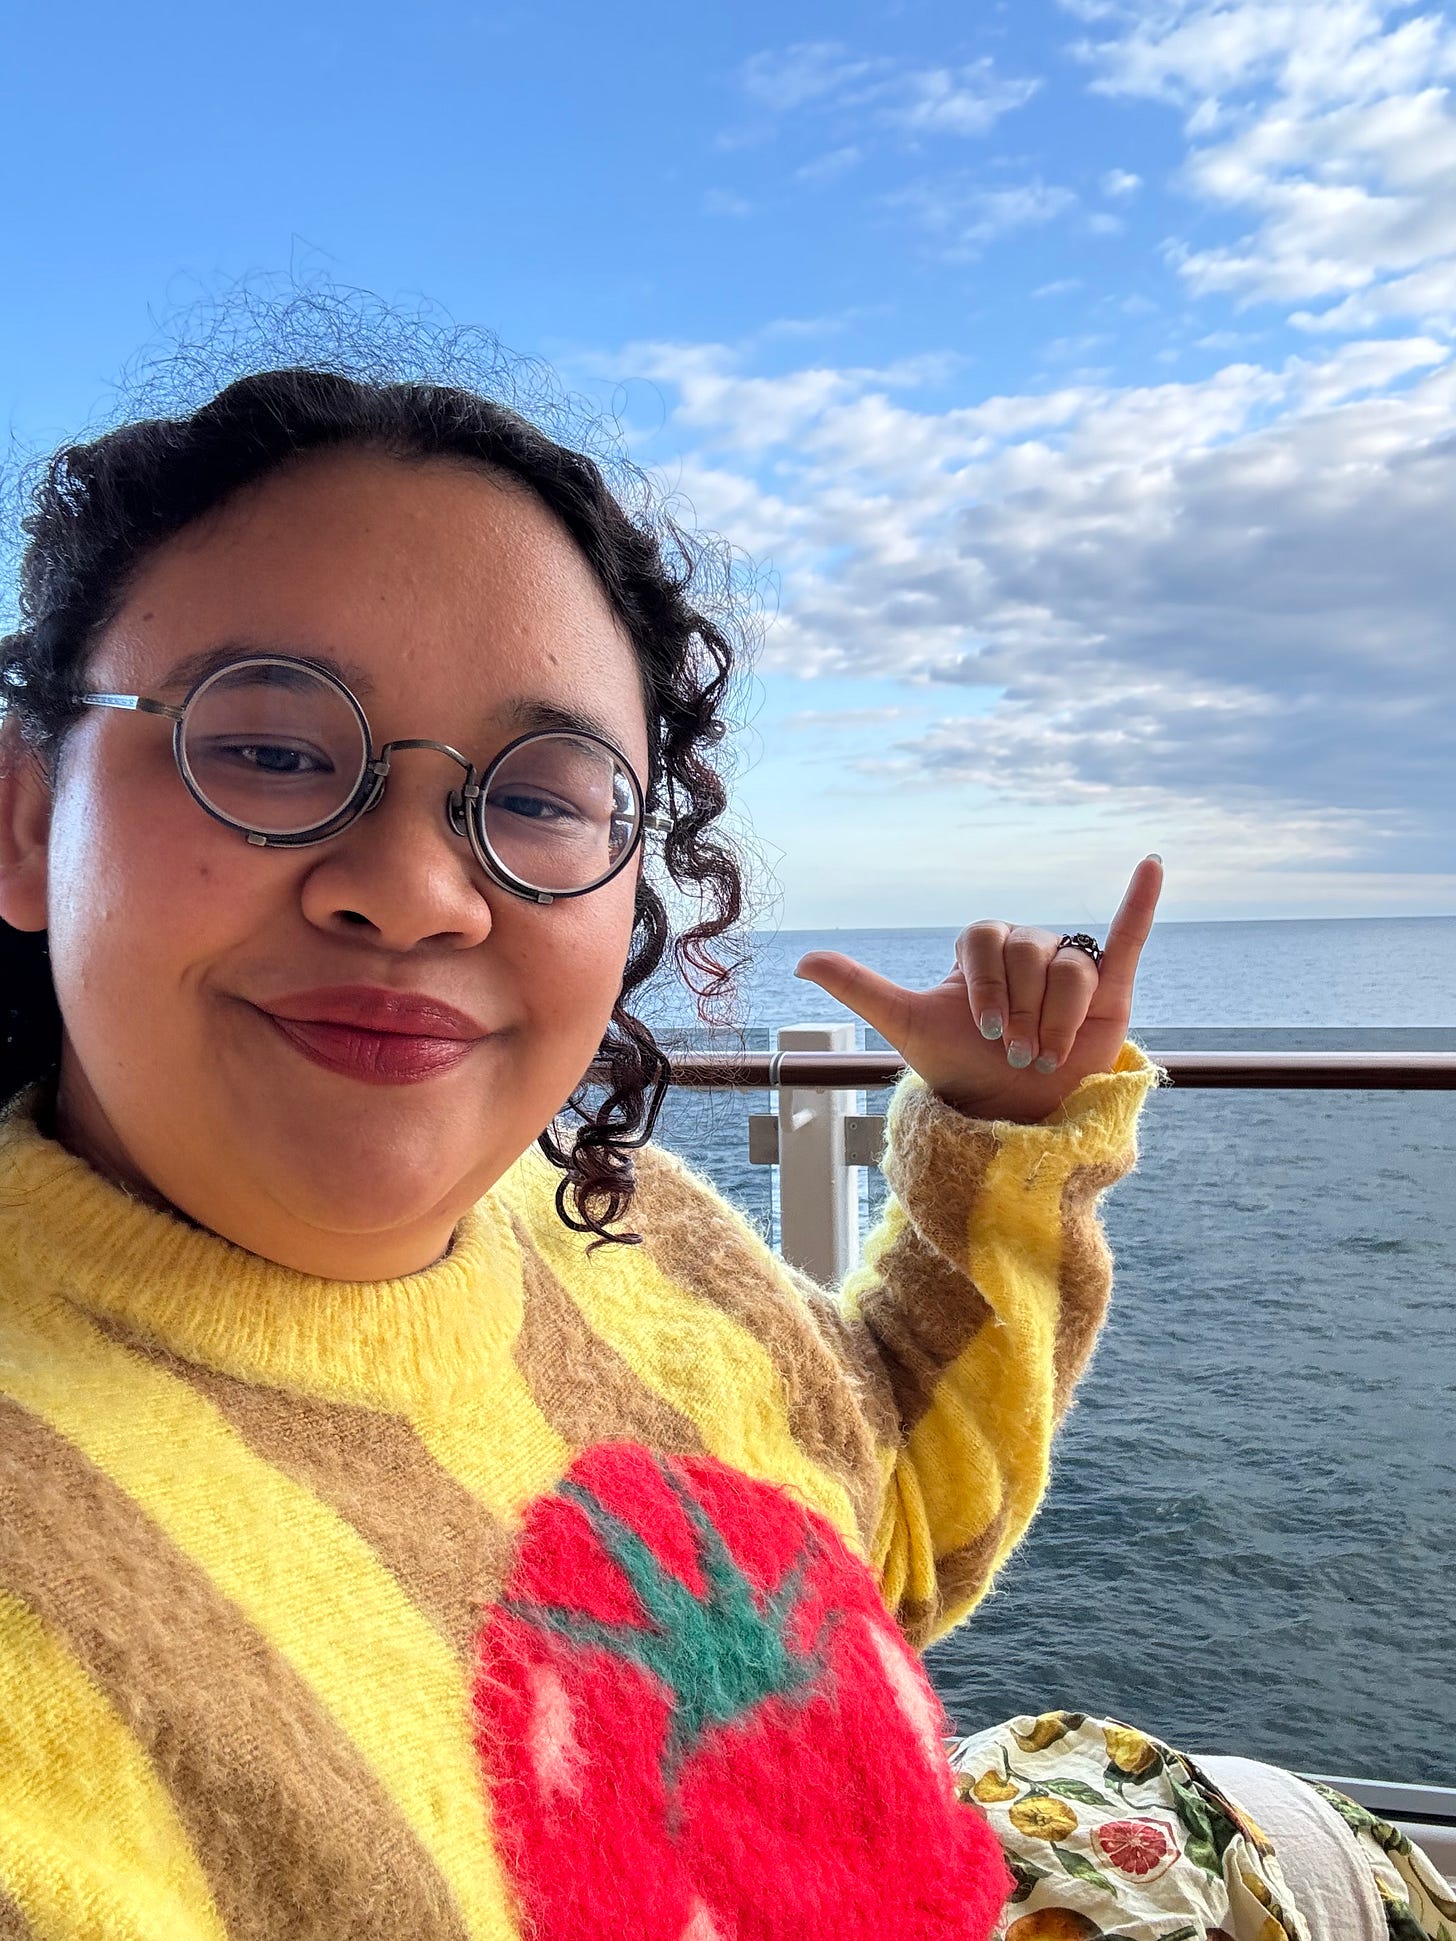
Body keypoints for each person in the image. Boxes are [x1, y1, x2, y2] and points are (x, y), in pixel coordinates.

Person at [0, 359, 1441, 1941]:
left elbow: (886, 1526)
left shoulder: (632, 1238)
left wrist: (1007, 1142)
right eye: (271, 750)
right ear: (26, 817)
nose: (414, 888)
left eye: (540, 799)